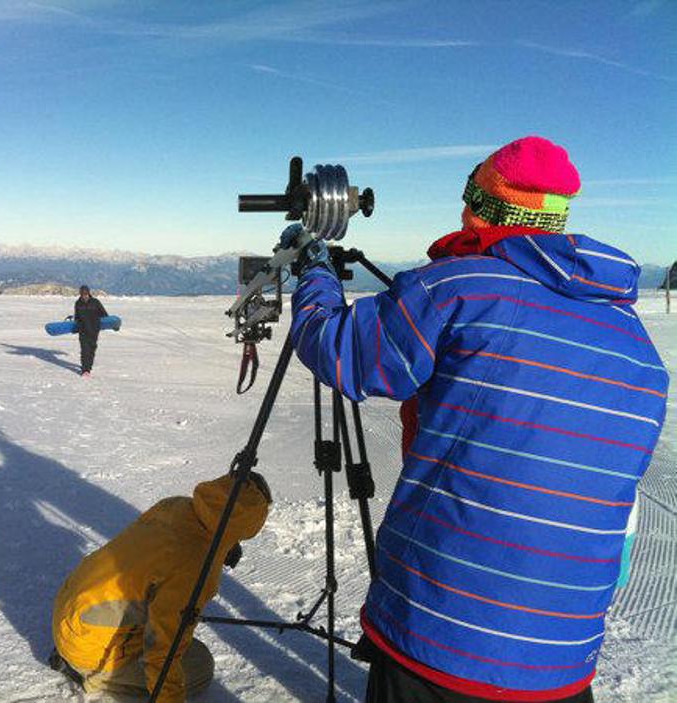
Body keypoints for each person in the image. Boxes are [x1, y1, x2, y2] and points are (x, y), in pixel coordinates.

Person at [286, 136, 667, 702]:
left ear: (478, 207)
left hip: (442, 640)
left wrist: (313, 268)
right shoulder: (634, 342)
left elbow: (340, 351)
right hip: (563, 657)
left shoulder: (459, 285)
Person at [50, 473, 272, 702]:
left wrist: (226, 543)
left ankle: (83, 655)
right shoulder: (196, 564)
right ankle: (94, 677)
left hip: (71, 610)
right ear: (252, 521)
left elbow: (165, 549)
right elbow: (162, 651)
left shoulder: (175, 505)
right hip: (86, 644)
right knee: (199, 665)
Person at [74, 284, 108, 377]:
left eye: (86, 294)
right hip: (83, 330)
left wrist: (111, 324)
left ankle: (88, 366)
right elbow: (76, 316)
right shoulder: (78, 303)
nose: (84, 296)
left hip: (94, 330)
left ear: (88, 293)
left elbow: (104, 314)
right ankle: (85, 370)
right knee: (84, 350)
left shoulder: (95, 302)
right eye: (82, 294)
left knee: (92, 349)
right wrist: (75, 326)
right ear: (80, 294)